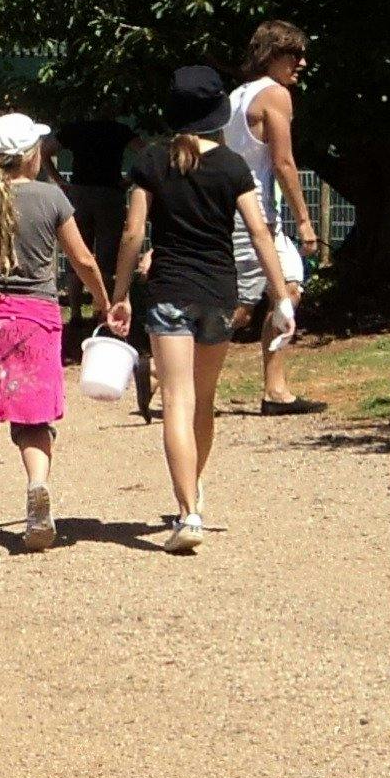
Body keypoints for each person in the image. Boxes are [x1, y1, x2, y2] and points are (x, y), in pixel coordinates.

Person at [114, 64, 295, 555]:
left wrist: (120, 293)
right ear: (217, 113)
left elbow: (133, 234)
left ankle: (188, 508)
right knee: (203, 401)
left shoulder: (152, 162)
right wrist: (280, 297)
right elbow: (260, 232)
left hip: (169, 289)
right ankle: (192, 496)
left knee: (176, 399)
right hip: (219, 293)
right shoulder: (234, 165)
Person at [0, 112, 116, 552]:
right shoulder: (53, 199)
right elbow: (83, 261)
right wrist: (105, 304)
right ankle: (36, 488)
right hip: (39, 320)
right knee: (34, 418)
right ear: (30, 155)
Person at [224, 22, 326, 415]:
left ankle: (276, 390)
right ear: (271, 55)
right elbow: (283, 161)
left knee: (288, 289)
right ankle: (163, 368)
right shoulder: (275, 95)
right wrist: (305, 221)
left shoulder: (236, 96)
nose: (301, 62)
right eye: (293, 55)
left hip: (247, 211)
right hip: (255, 216)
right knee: (243, 307)